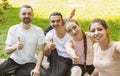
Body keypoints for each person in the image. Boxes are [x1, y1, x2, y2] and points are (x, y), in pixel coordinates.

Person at [0, 5, 48, 76]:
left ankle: (14, 71)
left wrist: (37, 68)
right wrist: (16, 46)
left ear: (33, 15)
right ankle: (12, 70)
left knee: (43, 74)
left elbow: (41, 51)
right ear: (19, 15)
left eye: (29, 13)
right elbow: (7, 51)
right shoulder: (13, 29)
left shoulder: (38, 31)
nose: (26, 16)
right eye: (24, 13)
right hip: (14, 61)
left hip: (30, 62)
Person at [44, 10, 75, 76]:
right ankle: (48, 67)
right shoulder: (49, 34)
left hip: (70, 57)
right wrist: (49, 47)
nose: (55, 23)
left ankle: (48, 68)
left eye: (58, 21)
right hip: (57, 56)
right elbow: (46, 54)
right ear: (50, 23)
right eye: (53, 21)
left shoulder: (69, 32)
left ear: (62, 21)